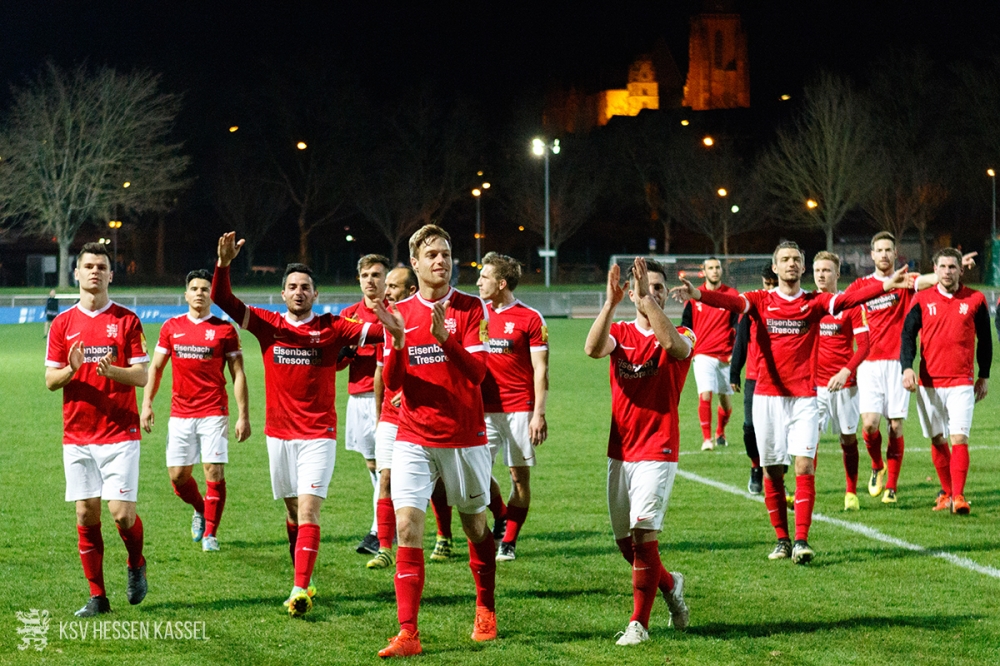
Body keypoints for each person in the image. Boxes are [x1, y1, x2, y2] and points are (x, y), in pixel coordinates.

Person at [672, 241, 912, 564]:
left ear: (802, 267)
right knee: (772, 470)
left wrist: (885, 284)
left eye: (796, 260)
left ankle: (801, 540)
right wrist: (698, 295)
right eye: (784, 259)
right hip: (767, 398)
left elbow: (849, 299)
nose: (790, 264)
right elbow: (730, 302)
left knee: (804, 465)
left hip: (804, 399)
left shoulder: (814, 302)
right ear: (774, 267)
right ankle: (782, 540)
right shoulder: (760, 300)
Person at [211, 232, 393, 618]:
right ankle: (304, 575)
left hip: (318, 435)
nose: (299, 292)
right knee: (293, 512)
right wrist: (223, 265)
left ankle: (299, 588)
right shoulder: (267, 325)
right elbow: (223, 300)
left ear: (315, 293)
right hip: (278, 435)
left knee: (310, 510)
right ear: (282, 293)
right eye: (292, 286)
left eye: (305, 287)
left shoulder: (334, 326)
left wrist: (388, 305)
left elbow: (385, 332)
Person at [376, 224, 496, 658]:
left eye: (446, 253)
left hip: (464, 435)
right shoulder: (400, 312)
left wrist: (447, 340)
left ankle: (485, 607)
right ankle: (408, 632)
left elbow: (479, 375)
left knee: (474, 525)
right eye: (432, 255)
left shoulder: (470, 309)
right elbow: (392, 384)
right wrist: (398, 342)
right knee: (408, 525)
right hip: (413, 434)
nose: (441, 261)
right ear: (415, 263)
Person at [585, 257, 692, 645]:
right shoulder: (621, 331)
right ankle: (670, 583)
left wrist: (648, 301)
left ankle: (638, 625)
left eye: (661, 288)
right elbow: (592, 349)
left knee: (644, 532)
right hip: (621, 449)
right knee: (627, 545)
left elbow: (673, 348)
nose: (655, 292)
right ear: (631, 293)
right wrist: (612, 303)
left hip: (659, 448)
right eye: (648, 287)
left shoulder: (683, 333)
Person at [45, 242, 150, 617]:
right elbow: (50, 381)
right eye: (87, 266)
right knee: (86, 514)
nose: (94, 271)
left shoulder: (126, 320)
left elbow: (142, 375)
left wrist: (112, 372)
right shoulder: (62, 324)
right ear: (76, 273)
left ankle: (136, 562)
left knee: (122, 514)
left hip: (120, 432)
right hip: (78, 434)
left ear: (110, 274)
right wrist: (72, 369)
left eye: (101, 266)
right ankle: (97, 597)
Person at [140, 269, 250, 552]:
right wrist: (147, 403)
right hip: (180, 413)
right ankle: (201, 509)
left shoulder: (225, 329)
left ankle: (211, 534)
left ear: (211, 295)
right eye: (194, 288)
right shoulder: (171, 327)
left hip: (214, 411)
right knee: (178, 476)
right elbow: (156, 367)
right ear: (186, 294)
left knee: (213, 470)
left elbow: (238, 373)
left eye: (205, 288)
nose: (200, 293)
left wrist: (243, 415)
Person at [901, 248, 991, 515]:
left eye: (953, 267)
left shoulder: (975, 299)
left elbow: (985, 341)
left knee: (959, 437)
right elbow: (907, 336)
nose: (948, 271)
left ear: (961, 270)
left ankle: (959, 497)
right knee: (938, 438)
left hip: (961, 381)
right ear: (935, 269)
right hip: (928, 382)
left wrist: (983, 375)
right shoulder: (921, 299)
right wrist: (907, 368)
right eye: (943, 267)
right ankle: (947, 493)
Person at [477, 252, 549, 563]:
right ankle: (501, 514)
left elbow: (541, 369)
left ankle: (508, 540)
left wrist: (539, 414)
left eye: (485, 277)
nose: (478, 281)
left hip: (520, 408)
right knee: (476, 474)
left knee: (519, 477)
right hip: (483, 409)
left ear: (501, 283)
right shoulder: (477, 315)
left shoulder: (530, 318)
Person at [339, 254, 391, 556]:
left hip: (388, 399)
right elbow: (336, 365)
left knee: (387, 469)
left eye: (376, 275)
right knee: (374, 466)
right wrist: (346, 351)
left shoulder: (396, 312)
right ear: (358, 279)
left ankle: (377, 531)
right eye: (366, 275)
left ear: (386, 279)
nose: (371, 280)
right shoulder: (349, 315)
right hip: (359, 398)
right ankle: (387, 521)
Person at [366, 266, 418, 570]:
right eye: (386, 286)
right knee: (385, 478)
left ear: (411, 291)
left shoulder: (426, 320)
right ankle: (385, 547)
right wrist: (378, 415)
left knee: (439, 488)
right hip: (390, 415)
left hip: (421, 415)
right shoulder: (387, 321)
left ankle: (444, 535)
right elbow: (381, 372)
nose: (386, 292)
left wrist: (410, 391)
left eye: (394, 287)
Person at [811, 252, 870, 511]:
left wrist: (846, 371)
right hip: (812, 385)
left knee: (847, 438)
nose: (821, 275)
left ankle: (850, 490)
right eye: (817, 270)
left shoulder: (850, 305)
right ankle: (806, 491)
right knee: (808, 439)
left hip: (844, 385)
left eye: (827, 270)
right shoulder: (807, 303)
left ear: (837, 274)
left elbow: (865, 345)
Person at [729, 265, 778, 494]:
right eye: (767, 283)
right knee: (750, 428)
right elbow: (741, 340)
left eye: (773, 284)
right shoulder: (755, 305)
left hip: (782, 380)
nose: (769, 288)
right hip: (754, 377)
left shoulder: (792, 307)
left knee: (777, 430)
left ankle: (777, 476)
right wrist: (734, 371)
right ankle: (755, 467)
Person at [681, 257, 737, 451]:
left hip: (725, 356)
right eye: (710, 268)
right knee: (705, 394)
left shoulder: (731, 295)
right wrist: (688, 348)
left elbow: (738, 325)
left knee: (726, 402)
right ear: (703, 271)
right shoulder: (695, 296)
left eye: (717, 267)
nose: (715, 271)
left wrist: (735, 351)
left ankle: (720, 432)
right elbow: (686, 325)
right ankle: (707, 439)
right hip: (703, 354)